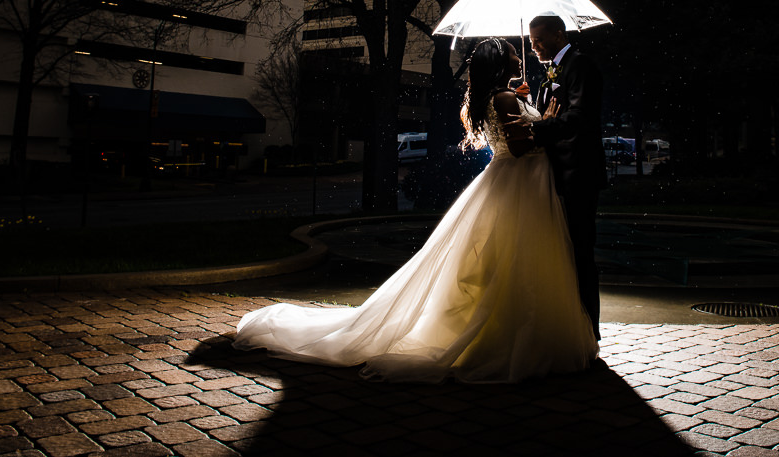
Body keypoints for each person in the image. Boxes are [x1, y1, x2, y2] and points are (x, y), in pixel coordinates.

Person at [232, 38, 597, 383]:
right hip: (521, 183)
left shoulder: (503, 96)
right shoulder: (503, 97)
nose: (520, 56)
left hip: (518, 183)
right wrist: (542, 119)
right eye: (512, 53)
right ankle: (511, 334)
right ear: (503, 62)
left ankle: (509, 326)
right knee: (514, 260)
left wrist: (530, 110)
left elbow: (517, 135)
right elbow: (519, 149)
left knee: (502, 262)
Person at [511, 15, 607, 340]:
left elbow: (578, 116)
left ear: (558, 34)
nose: (533, 45)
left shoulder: (580, 66)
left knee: (580, 252)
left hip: (578, 173)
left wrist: (534, 130)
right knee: (562, 253)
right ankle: (568, 329)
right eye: (531, 40)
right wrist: (525, 103)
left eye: (538, 39)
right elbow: (549, 113)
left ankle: (589, 332)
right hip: (556, 174)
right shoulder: (550, 71)